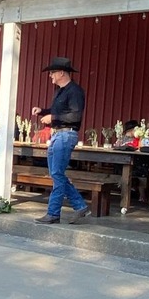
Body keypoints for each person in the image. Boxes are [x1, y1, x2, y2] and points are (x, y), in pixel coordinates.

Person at [31, 57, 90, 224]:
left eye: (52, 72)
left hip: (66, 134)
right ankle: (79, 206)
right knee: (56, 173)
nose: (50, 76)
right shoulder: (59, 91)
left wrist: (53, 117)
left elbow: (75, 115)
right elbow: (57, 111)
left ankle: (53, 213)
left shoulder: (75, 91)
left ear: (61, 72)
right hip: (57, 135)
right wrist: (43, 111)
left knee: (56, 173)